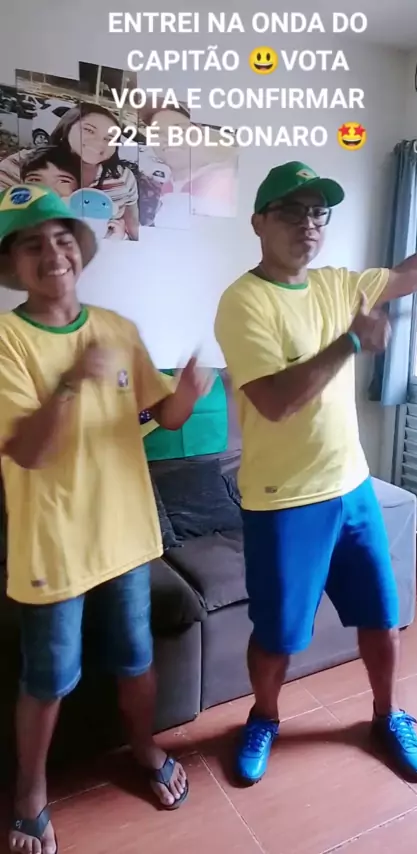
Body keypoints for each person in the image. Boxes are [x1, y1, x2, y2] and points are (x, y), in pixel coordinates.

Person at [214, 160, 417, 787]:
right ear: (258, 222)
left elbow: (414, 273)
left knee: (382, 618)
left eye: (317, 213)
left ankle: (389, 715)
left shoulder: (339, 284)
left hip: (352, 488)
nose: (307, 224)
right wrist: (351, 343)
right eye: (291, 211)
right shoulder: (243, 301)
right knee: (278, 636)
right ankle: (264, 717)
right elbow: (275, 401)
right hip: (283, 502)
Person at [0, 183, 211, 854]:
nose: (52, 254)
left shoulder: (118, 328)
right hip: (53, 545)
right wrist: (72, 381)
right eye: (32, 245)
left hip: (127, 537)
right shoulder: (7, 341)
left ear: (80, 250)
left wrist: (188, 393)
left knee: (136, 660)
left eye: (62, 239)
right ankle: (30, 794)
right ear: (14, 264)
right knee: (46, 681)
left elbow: (162, 415)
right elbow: (27, 450)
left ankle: (144, 749)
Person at [0, 104, 139, 239]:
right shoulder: (19, 164)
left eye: (110, 138)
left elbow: (132, 221)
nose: (99, 142)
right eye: (89, 130)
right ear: (66, 129)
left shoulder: (123, 176)